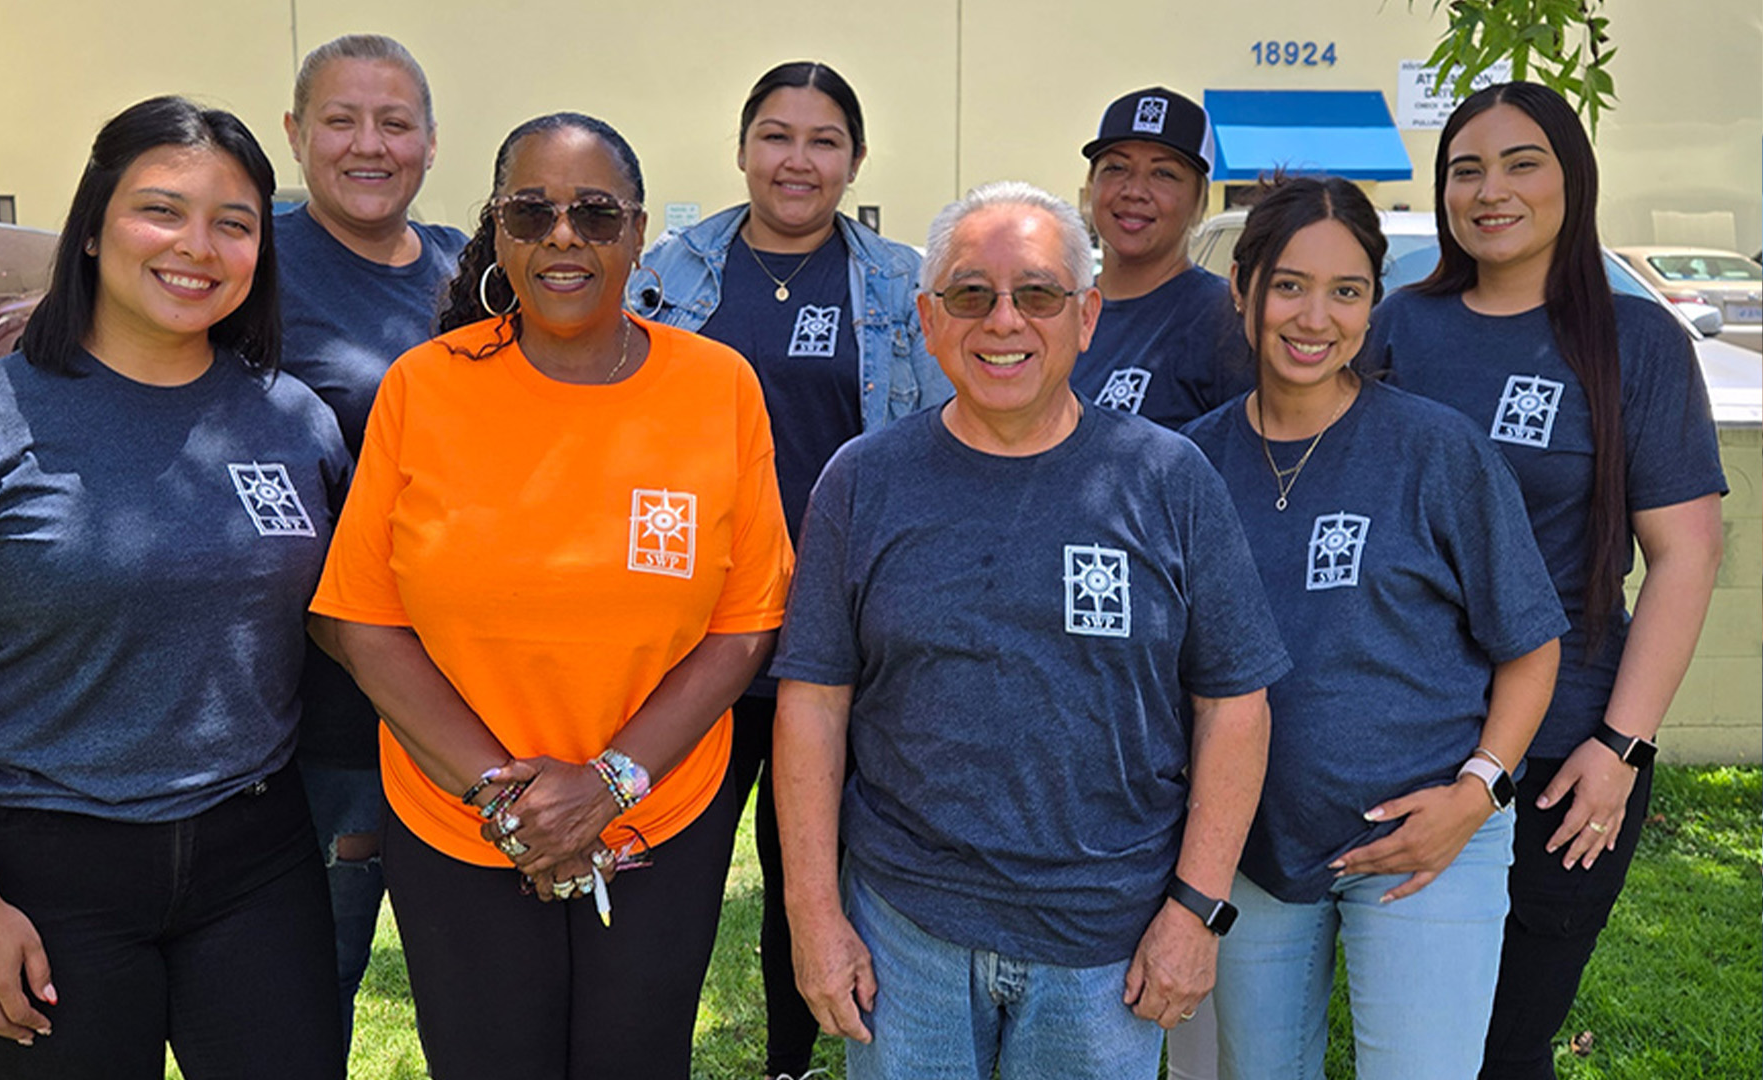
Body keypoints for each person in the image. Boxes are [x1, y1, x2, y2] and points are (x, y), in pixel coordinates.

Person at [0, 96, 348, 1078]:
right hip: (43, 868)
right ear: (90, 229)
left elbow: (344, 631)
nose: (197, 246)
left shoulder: (295, 423)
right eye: (160, 210)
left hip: (257, 860)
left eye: (235, 223)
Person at [308, 111, 793, 1080]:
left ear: (639, 230)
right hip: (460, 824)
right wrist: (518, 807)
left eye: (594, 213)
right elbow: (358, 619)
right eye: (530, 214)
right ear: (496, 230)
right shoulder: (425, 388)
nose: (563, 237)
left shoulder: (718, 389)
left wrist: (605, 788)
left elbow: (745, 628)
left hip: (656, 823)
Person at [772, 180, 1289, 1080]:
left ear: (1086, 316)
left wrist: (1194, 912)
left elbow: (1235, 704)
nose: (1003, 321)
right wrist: (814, 915)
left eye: (1038, 294)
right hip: (908, 933)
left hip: (1108, 945)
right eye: (971, 295)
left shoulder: (1167, 478)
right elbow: (812, 704)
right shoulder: (862, 481)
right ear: (930, 321)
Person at [1369, 81, 1726, 1080]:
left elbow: (1687, 553)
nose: (1491, 190)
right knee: (1414, 1033)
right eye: (1464, 169)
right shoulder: (1401, 327)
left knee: (1506, 1038)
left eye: (1522, 162)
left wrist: (1620, 745)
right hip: (1411, 738)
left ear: (1574, 178)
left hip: (1570, 751)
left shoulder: (1633, 340)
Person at [1180, 176, 1567, 1079]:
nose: (1315, 316)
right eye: (1289, 285)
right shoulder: (1188, 463)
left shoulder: (1435, 448)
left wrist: (1476, 795)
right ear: (1241, 289)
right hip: (1249, 844)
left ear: (1372, 306)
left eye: (1347, 291)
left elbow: (1531, 645)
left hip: (1426, 838)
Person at [633, 59, 949, 1080]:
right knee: (663, 872)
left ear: (854, 160)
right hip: (694, 638)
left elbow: (942, 439)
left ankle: (789, 1062)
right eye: (776, 135)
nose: (797, 159)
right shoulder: (670, 274)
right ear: (741, 148)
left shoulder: (901, 284)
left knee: (808, 875)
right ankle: (639, 1051)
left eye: (823, 140)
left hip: (835, 637)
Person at [275, 32, 467, 1050]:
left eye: (394, 122)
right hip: (325, 708)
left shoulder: (465, 271)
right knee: (314, 992)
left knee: (479, 999)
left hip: (473, 695)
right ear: (298, 134)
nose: (369, 144)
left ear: (431, 144)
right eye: (341, 120)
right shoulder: (255, 262)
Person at [1070, 86, 1248, 428]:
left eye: (1164, 173)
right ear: (1091, 184)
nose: (1134, 191)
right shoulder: (1057, 310)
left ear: (1200, 200)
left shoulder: (1225, 322)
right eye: (1116, 168)